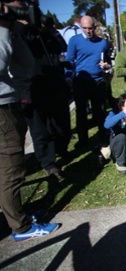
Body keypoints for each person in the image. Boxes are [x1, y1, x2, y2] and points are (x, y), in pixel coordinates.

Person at [0, 3, 60, 242]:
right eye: (15, 6)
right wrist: (4, 27)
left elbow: (25, 63)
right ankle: (21, 228)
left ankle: (16, 214)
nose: (22, 10)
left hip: (7, 104)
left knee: (9, 169)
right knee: (11, 171)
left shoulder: (8, 30)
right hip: (2, 108)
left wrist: (12, 29)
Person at [11, 11, 71, 178]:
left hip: (55, 86)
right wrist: (27, 25)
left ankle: (62, 149)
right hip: (33, 88)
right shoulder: (18, 30)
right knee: (41, 130)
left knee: (61, 125)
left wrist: (51, 30)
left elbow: (61, 48)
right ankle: (48, 163)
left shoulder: (46, 34)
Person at [65, 15, 112, 149]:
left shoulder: (102, 43)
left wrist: (107, 66)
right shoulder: (74, 41)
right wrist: (68, 77)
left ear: (94, 27)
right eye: (84, 28)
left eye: (90, 28)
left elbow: (107, 60)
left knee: (100, 112)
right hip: (81, 81)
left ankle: (103, 138)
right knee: (81, 112)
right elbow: (69, 61)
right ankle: (83, 140)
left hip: (98, 82)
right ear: (81, 27)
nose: (87, 31)